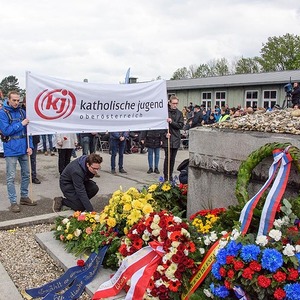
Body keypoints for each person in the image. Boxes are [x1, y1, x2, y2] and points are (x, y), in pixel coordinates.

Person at [0, 90, 37, 212]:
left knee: (26, 173)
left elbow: (29, 131)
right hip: (11, 148)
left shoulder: (22, 112)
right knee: (11, 177)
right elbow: (6, 131)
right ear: (8, 100)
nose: (16, 102)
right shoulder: (2, 113)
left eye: (18, 100)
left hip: (24, 148)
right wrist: (21, 124)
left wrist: (30, 146)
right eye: (14, 100)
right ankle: (13, 202)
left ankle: (24, 197)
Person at [162, 96, 184, 181]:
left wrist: (172, 122)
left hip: (175, 138)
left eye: (176, 103)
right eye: (173, 103)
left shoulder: (179, 113)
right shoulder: (165, 112)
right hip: (167, 138)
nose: (175, 105)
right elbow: (161, 126)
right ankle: (166, 176)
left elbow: (180, 125)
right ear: (170, 103)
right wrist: (164, 134)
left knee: (172, 159)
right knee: (167, 158)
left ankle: (170, 175)